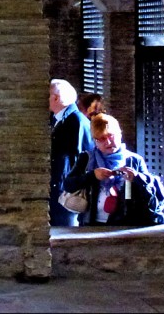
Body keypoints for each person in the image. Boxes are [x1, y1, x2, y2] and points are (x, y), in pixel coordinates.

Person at [62, 112, 164, 226]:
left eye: (111, 136)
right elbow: (68, 185)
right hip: (92, 222)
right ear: (95, 141)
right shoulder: (86, 158)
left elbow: (148, 191)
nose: (108, 142)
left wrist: (136, 178)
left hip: (125, 223)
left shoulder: (134, 160)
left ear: (120, 134)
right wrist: (92, 176)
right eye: (101, 139)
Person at [49, 78, 94, 228]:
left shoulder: (76, 121)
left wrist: (69, 184)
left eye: (48, 95)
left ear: (56, 98)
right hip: (57, 188)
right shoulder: (58, 119)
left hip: (65, 191)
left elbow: (81, 157)